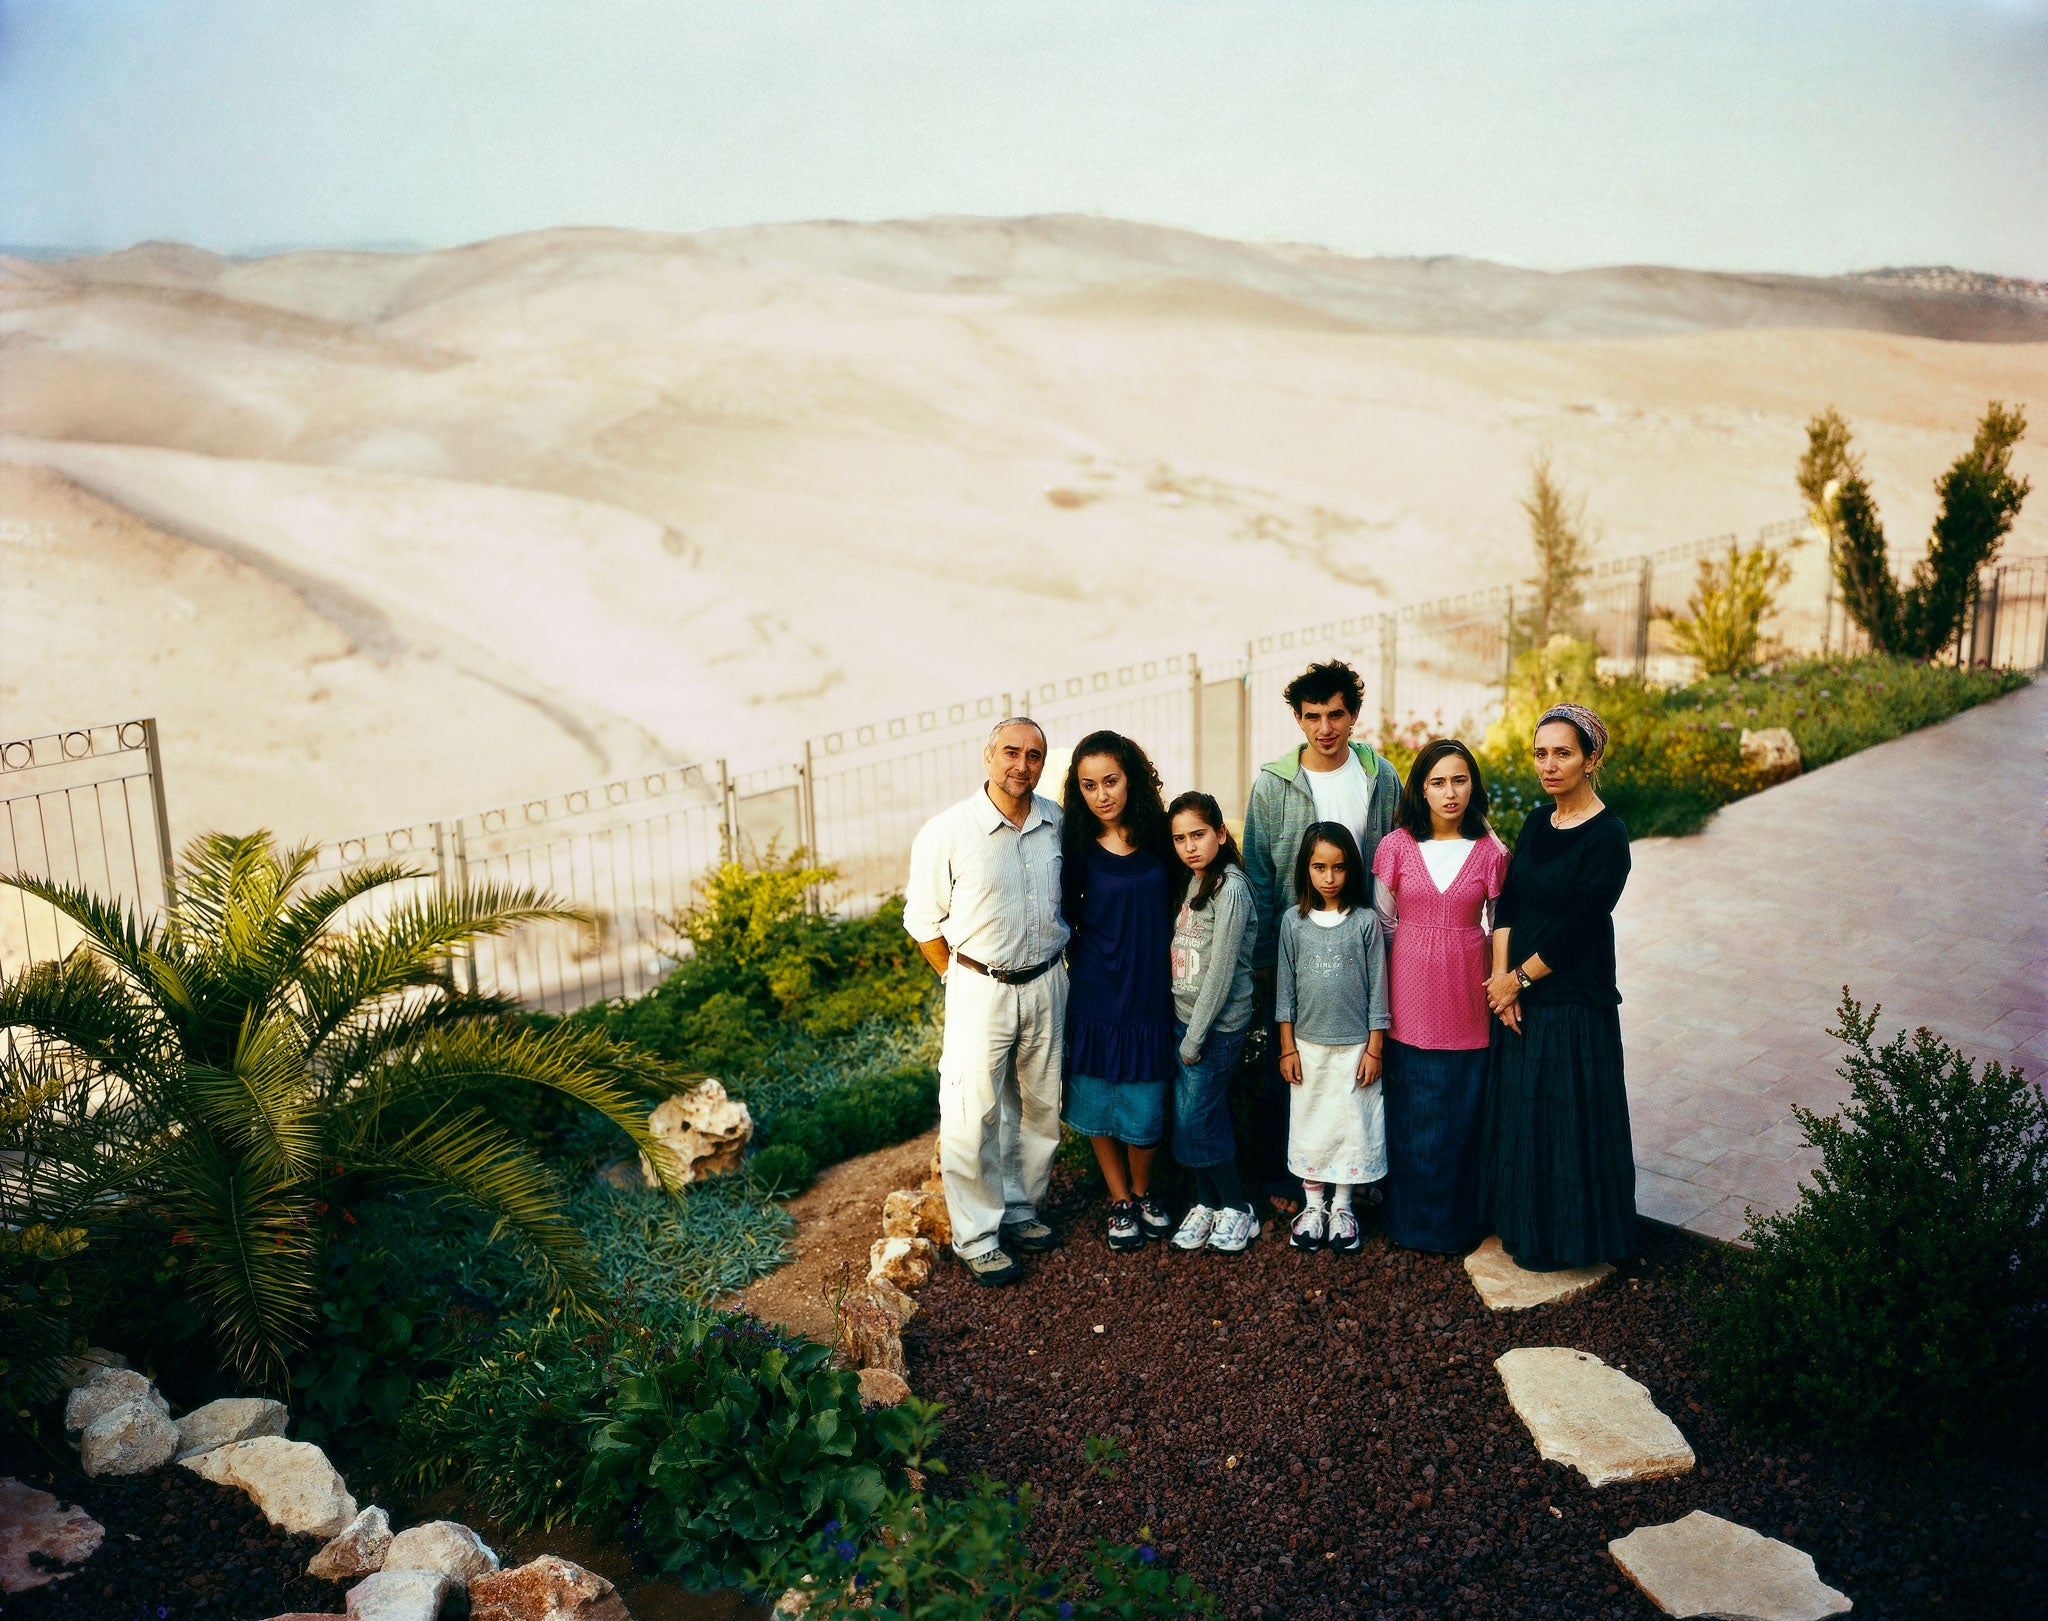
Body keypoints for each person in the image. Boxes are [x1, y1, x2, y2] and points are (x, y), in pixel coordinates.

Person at [904, 718, 1069, 1287]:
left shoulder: (1057, 824)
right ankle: (977, 1235)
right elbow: (923, 921)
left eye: (1034, 755)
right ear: (987, 756)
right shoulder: (948, 832)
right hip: (980, 986)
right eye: (1010, 752)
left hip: (1048, 981)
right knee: (972, 1112)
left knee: (1040, 1106)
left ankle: (1022, 1210)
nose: (1020, 766)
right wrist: (960, 976)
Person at [1243, 660, 1404, 1214]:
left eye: (1336, 715)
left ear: (1353, 715)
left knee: (1364, 1066)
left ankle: (1361, 1175)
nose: (1325, 728)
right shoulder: (1274, 783)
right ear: (1297, 718)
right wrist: (1265, 956)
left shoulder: (1380, 776)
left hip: (1364, 941)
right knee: (1294, 1068)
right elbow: (1260, 872)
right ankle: (1293, 1180)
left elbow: (1395, 857)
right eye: (1312, 717)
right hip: (1298, 946)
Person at [1481, 702, 1637, 1271]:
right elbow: (1510, 904)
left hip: (1570, 999)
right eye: (1541, 753)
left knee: (1566, 1120)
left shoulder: (1609, 836)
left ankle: (1571, 1239)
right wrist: (1500, 981)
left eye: (1563, 753)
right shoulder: (1534, 823)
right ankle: (1525, 1227)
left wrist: (1518, 980)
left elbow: (1580, 929)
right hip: (1517, 996)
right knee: (1525, 1117)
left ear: (1591, 759)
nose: (1549, 765)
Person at [1371, 739, 1510, 1254]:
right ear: (1420, 788)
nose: (1449, 793)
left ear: (1473, 785)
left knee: (1461, 1117)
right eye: (1437, 782)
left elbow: (1501, 930)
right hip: (1407, 1001)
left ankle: (1457, 1228)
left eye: (1459, 780)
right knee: (1412, 1115)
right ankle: (1409, 1225)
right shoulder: (1396, 847)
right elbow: (1384, 923)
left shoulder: (1492, 853)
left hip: (1468, 1002)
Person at [1058, 730, 1180, 1253]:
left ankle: (1144, 1189)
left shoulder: (1162, 838)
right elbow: (1063, 914)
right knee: (1096, 1099)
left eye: (1111, 780)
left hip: (1152, 987)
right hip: (1095, 989)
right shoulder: (1077, 847)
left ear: (1131, 777)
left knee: (1147, 1108)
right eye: (1089, 785)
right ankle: (1120, 1200)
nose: (1102, 794)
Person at [1275, 822, 1390, 1254]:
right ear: (1306, 869)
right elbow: (1284, 992)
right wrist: (1286, 1046)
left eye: (1338, 867)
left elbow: (1379, 990)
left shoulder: (1364, 923)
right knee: (1312, 1122)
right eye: (1319, 867)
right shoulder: (1294, 922)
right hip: (1307, 1047)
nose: (1329, 877)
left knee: (1351, 1124)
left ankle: (1343, 1207)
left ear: (1351, 870)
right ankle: (1313, 1205)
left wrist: (1375, 1049)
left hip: (1356, 1048)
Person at [1163, 791, 1260, 1254]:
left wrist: (1195, 1036)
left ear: (1221, 834)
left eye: (1198, 835)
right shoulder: (1193, 881)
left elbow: (1221, 970)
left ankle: (1239, 1208)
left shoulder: (1232, 889)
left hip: (1214, 1028)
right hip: (1185, 1020)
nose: (1190, 846)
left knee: (1195, 1118)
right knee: (1199, 1115)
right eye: (1180, 838)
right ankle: (1207, 1203)